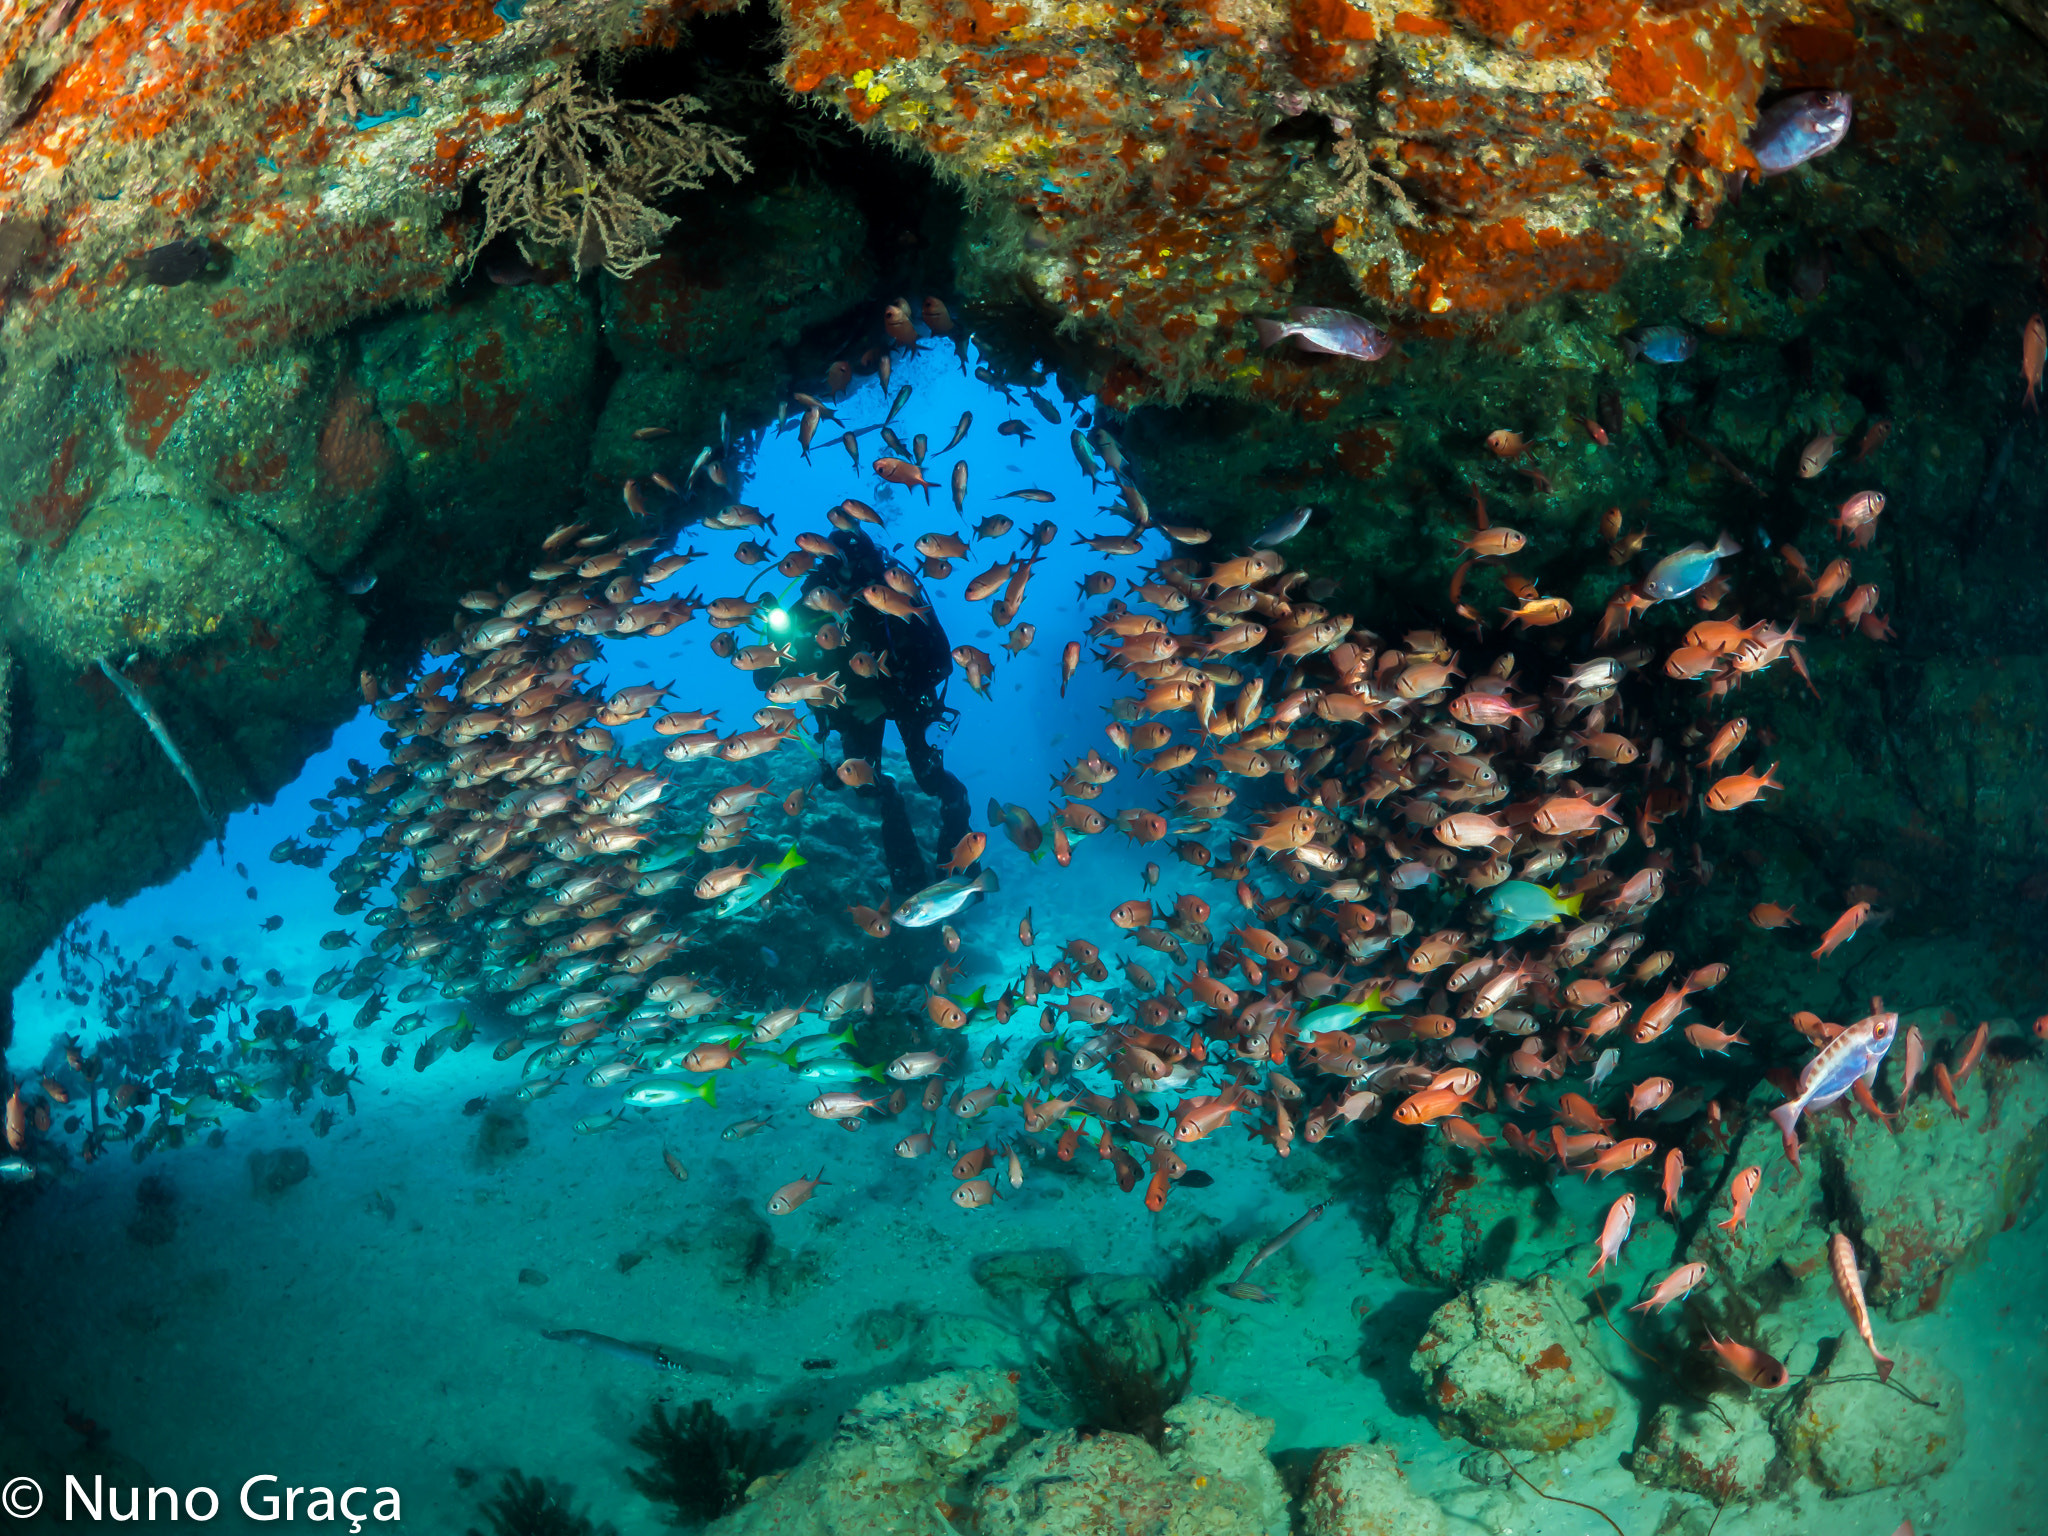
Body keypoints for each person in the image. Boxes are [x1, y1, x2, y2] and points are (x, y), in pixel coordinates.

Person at [754, 526, 971, 894]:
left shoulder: (895, 596)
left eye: (856, 567)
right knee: (868, 787)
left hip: (904, 694)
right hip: (849, 706)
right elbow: (766, 681)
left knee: (930, 779)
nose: (848, 581)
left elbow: (941, 663)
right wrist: (773, 644)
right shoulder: (810, 605)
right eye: (837, 567)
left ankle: (961, 864)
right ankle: (910, 885)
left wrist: (886, 699)